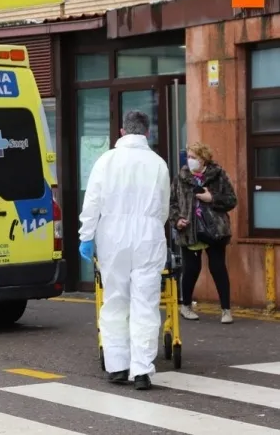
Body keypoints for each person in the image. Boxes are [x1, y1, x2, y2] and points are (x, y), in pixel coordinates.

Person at [78, 110, 170, 391]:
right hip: (148, 235)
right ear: (147, 133)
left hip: (113, 236)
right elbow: (163, 207)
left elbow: (92, 202)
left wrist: (86, 236)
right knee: (146, 303)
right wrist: (151, 226)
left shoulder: (106, 161)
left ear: (121, 132)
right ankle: (142, 370)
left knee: (115, 300)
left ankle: (117, 366)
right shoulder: (158, 164)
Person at [170, 142, 236, 324]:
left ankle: (226, 310)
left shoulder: (218, 175)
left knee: (218, 268)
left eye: (194, 157)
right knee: (191, 269)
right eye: (188, 156)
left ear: (203, 159)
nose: (190, 160)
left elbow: (231, 200)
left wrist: (211, 198)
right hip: (189, 230)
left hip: (215, 230)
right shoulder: (181, 177)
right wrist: (177, 219)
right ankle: (186, 306)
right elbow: (173, 203)